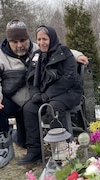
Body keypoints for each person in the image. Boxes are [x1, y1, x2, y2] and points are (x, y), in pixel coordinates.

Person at [0, 19, 88, 169]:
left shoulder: (37, 48)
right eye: (14, 41)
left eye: (23, 40)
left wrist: (78, 55)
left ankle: (61, 148)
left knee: (28, 129)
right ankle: (3, 148)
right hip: (14, 99)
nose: (20, 45)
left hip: (36, 99)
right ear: (8, 41)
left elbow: (60, 50)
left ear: (28, 39)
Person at [18, 25, 84, 165]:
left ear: (52, 39)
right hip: (45, 95)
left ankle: (62, 150)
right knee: (28, 108)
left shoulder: (64, 52)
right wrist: (35, 93)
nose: (42, 42)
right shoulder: (36, 56)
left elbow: (70, 77)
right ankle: (35, 150)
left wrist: (48, 94)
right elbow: (30, 78)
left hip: (68, 92)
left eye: (45, 39)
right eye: (39, 39)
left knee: (53, 108)